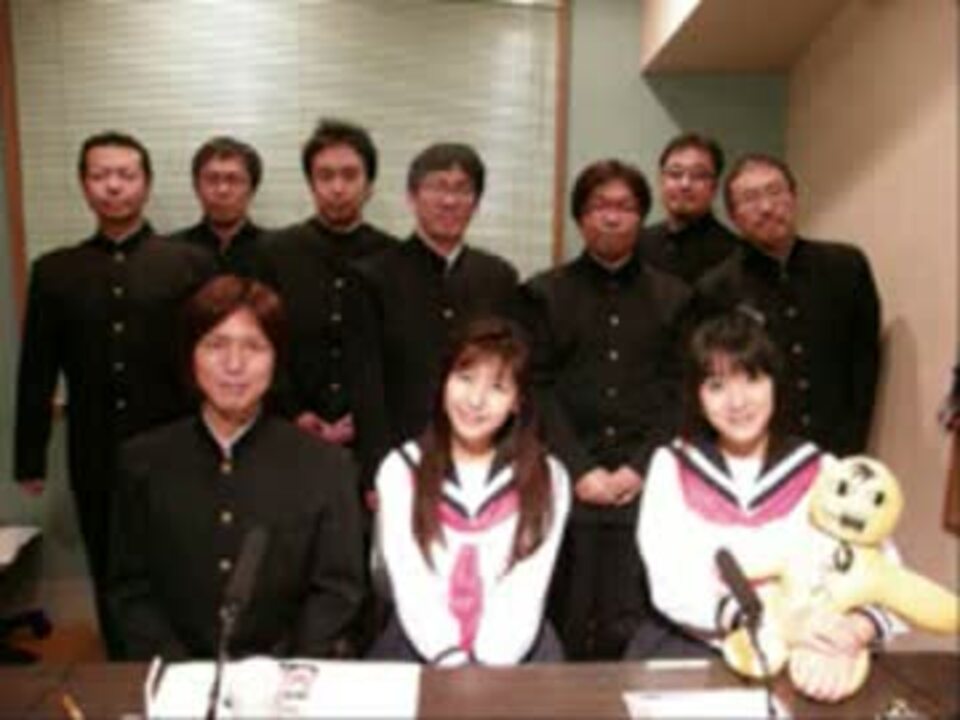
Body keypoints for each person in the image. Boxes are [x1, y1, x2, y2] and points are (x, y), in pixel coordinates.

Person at [13, 131, 213, 655]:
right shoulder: (55, 270)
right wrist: (30, 456)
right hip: (94, 446)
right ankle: (122, 665)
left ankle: (186, 664)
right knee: (108, 565)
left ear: (146, 184)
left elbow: (211, 357)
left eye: (126, 175)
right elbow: (37, 369)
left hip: (178, 442)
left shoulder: (189, 263)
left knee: (183, 558)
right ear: (84, 185)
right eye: (100, 175)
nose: (113, 186)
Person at [635, 311, 896, 701]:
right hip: (695, 648)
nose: (737, 401)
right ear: (696, 396)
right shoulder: (672, 466)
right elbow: (672, 584)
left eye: (752, 379)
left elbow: (884, 572)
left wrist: (854, 631)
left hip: (806, 658)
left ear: (776, 383)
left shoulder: (823, 470)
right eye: (716, 385)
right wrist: (774, 624)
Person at [108, 275, 365, 660]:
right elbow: (130, 591)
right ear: (190, 356)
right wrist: (180, 671)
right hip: (177, 675)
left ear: (277, 359)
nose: (234, 365)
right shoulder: (143, 461)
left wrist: (283, 672)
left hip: (287, 675)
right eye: (216, 345)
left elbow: (337, 591)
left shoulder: (326, 465)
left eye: (254, 347)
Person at [520, 159, 691, 660]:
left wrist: (640, 467)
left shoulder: (676, 297)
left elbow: (682, 390)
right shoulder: (543, 293)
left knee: (635, 618)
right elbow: (536, 388)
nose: (612, 217)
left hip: (648, 481)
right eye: (599, 206)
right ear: (580, 216)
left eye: (625, 207)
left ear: (641, 216)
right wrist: (579, 468)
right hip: (565, 477)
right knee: (565, 614)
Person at [370, 316, 570, 665]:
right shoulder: (401, 469)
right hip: (417, 646)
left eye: (497, 387)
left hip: (518, 651)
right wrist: (451, 659)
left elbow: (527, 585)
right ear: (444, 381)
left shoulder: (547, 476)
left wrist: (488, 668)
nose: (476, 400)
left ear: (517, 401)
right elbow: (412, 580)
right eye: (465, 379)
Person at [698, 153, 881, 456]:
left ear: (794, 198)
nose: (767, 207)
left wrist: (852, 446)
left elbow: (864, 363)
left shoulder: (846, 267)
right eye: (750, 199)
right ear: (733, 216)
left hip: (837, 447)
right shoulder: (715, 288)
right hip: (757, 450)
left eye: (775, 192)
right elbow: (714, 378)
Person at [360, 142, 519, 455]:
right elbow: (367, 389)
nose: (449, 201)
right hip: (402, 451)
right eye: (437, 187)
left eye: (462, 190)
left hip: (482, 448)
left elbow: (511, 372)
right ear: (412, 197)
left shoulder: (500, 277)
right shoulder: (373, 277)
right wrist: (381, 464)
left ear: (476, 203)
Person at [267, 118, 396, 482]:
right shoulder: (274, 253)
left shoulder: (394, 257)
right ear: (310, 183)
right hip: (286, 431)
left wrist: (366, 414)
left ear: (369, 184)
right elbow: (264, 340)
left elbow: (398, 353)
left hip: (373, 440)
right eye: (325, 176)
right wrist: (295, 412)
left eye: (350, 175)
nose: (337, 188)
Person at [639, 132, 738, 286]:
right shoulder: (638, 243)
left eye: (698, 175)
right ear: (661, 180)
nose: (685, 184)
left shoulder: (733, 254)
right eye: (675, 174)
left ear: (714, 187)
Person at [168, 136, 272, 279]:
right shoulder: (171, 252)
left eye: (233, 179)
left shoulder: (273, 251)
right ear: (196, 188)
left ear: (252, 189)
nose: (222, 190)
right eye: (212, 179)